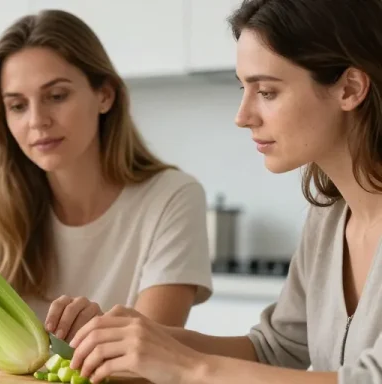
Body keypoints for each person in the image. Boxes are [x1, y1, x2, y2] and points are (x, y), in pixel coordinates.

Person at [61, 0, 382, 383]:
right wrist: (138, 340)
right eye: (243, 88)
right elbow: (275, 348)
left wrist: (186, 368)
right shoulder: (328, 216)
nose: (242, 116)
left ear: (349, 88)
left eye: (266, 91)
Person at [0, 9, 214, 356]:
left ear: (105, 95)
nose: (37, 121)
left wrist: (101, 331)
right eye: (17, 106)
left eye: (57, 96)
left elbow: (152, 357)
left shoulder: (173, 197)